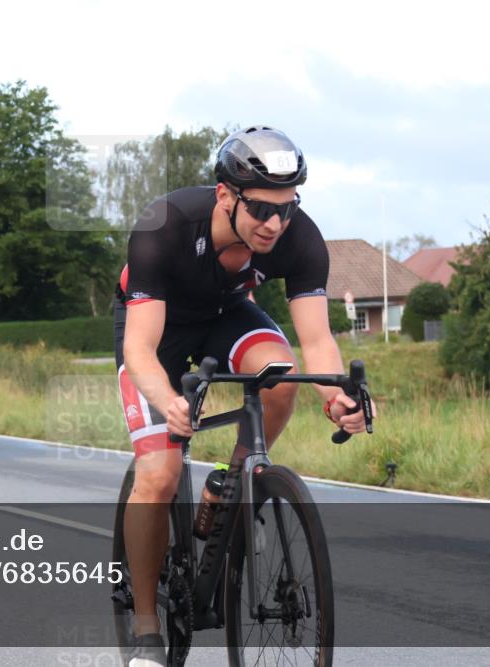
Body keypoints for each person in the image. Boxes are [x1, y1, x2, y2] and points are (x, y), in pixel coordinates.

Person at [114, 126, 375, 667]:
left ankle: (232, 484)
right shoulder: (165, 227)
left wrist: (336, 398)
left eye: (287, 208)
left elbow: (318, 338)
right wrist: (168, 401)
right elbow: (140, 350)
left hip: (225, 317)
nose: (275, 224)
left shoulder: (298, 238)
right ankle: (144, 630)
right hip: (156, 330)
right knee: (159, 474)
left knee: (281, 373)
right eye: (261, 209)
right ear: (225, 195)